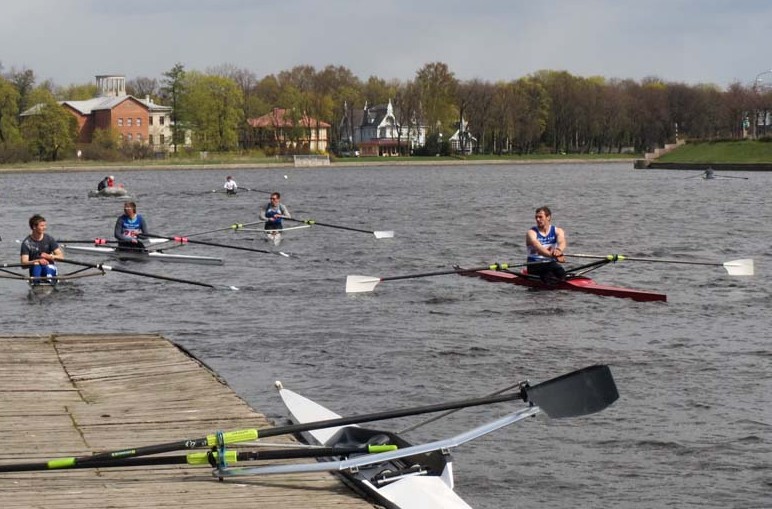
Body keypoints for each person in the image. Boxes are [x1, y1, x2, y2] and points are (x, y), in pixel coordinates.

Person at [525, 206, 567, 284]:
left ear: (548, 217)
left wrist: (559, 250)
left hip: (550, 263)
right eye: (536, 217)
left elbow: (562, 242)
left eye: (540, 217)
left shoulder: (558, 230)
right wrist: (555, 256)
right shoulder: (531, 233)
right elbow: (538, 247)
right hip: (535, 264)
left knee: (563, 275)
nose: (537, 219)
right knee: (550, 279)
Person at [20, 214, 63, 284]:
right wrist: (37, 261)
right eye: (42, 226)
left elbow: (61, 257)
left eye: (45, 225)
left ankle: (49, 281)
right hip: (35, 268)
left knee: (47, 269)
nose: (44, 228)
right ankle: (37, 283)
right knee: (37, 265)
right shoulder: (26, 243)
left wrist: (49, 257)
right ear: (34, 227)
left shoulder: (49, 239)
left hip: (49, 267)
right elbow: (23, 264)